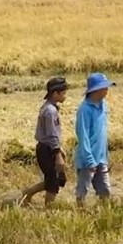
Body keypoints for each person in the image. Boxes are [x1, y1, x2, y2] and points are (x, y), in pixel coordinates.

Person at [20, 77, 69, 207]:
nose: (65, 96)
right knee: (53, 182)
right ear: (55, 93)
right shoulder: (50, 111)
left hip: (48, 148)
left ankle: (27, 193)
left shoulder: (49, 108)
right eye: (63, 93)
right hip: (47, 150)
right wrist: (57, 154)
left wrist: (59, 148)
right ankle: (49, 209)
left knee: (53, 180)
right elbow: (52, 134)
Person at [74, 72, 115, 207]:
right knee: (82, 191)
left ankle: (104, 215)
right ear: (95, 90)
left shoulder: (103, 106)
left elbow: (102, 134)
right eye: (104, 87)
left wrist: (105, 155)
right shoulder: (85, 109)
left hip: (101, 158)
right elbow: (83, 136)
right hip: (88, 159)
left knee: (105, 190)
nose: (107, 90)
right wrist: (89, 160)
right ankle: (79, 214)